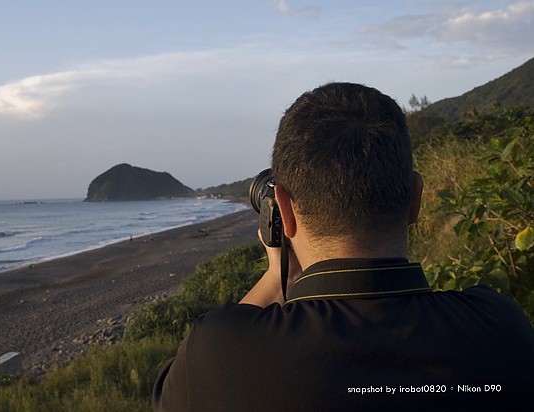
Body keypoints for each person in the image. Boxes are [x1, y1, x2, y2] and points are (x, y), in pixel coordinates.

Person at [152, 82, 534, 411]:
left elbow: (166, 399)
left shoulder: (220, 354)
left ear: (284, 211)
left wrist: (277, 275)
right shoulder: (500, 328)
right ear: (415, 198)